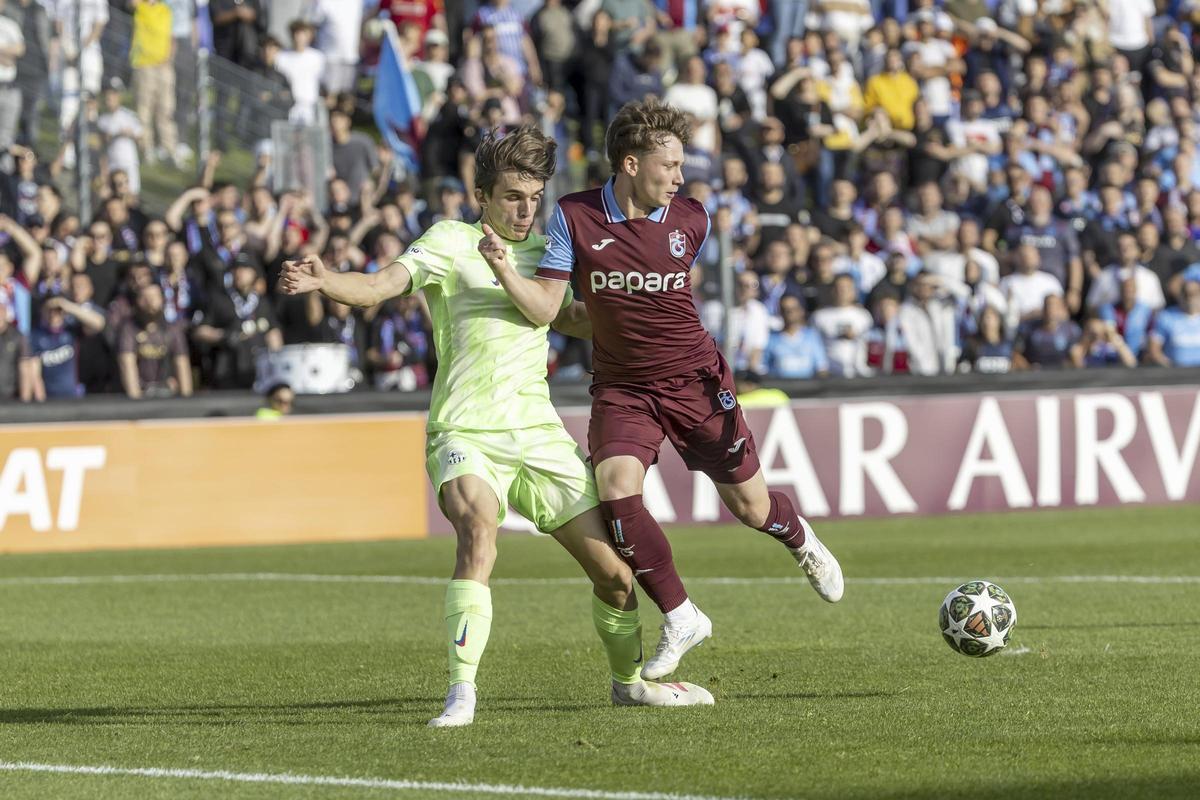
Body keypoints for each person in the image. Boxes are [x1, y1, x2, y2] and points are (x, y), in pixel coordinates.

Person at [278, 124, 714, 728]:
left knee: (617, 579)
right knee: (479, 527)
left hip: (537, 434)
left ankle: (629, 684)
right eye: (512, 196)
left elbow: (585, 322)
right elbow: (378, 286)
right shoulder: (450, 242)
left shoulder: (548, 255)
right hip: (465, 430)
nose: (525, 209)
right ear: (481, 195)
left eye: (534, 198)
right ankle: (461, 695)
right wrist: (328, 281)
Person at [483, 100, 844, 682]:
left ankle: (798, 536)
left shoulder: (691, 221)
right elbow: (549, 309)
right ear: (630, 163)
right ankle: (680, 615)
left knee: (752, 508)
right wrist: (504, 269)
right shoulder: (573, 217)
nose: (680, 178)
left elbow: (654, 303)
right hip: (623, 386)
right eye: (670, 165)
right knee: (616, 488)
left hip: (693, 382)